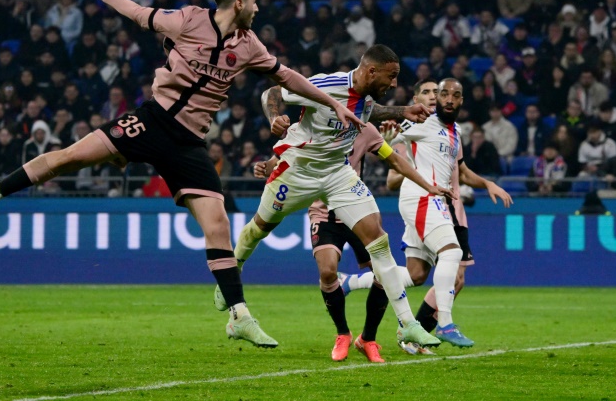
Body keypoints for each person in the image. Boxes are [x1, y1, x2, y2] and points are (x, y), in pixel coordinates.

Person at [0, 0, 370, 349]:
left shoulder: (248, 46)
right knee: (69, 158)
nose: (259, 9)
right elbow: (138, 13)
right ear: (239, 2)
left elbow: (288, 76)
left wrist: (333, 104)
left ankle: (239, 316)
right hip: (151, 121)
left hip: (188, 144)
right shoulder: (188, 20)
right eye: (255, 2)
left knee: (218, 222)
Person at [213, 45, 447, 350]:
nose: (394, 84)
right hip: (298, 172)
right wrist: (274, 118)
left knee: (378, 238)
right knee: (259, 228)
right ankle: (233, 271)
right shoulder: (327, 84)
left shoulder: (365, 97)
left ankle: (408, 324)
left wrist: (403, 111)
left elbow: (365, 110)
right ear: (371, 71)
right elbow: (273, 92)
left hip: (338, 174)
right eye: (391, 77)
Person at [340, 78, 513, 354]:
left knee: (417, 274)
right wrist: (386, 140)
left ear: (461, 101)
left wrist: (488, 184)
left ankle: (349, 282)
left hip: (435, 202)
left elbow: (462, 170)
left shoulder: (454, 131)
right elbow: (388, 136)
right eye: (438, 93)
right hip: (423, 197)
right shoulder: (422, 122)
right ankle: (444, 323)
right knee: (452, 253)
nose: (443, 98)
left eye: (451, 95)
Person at [253, 121, 399, 363]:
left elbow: (385, 155)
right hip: (323, 213)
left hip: (355, 211)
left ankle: (368, 339)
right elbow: (287, 152)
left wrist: (392, 139)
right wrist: (268, 166)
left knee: (383, 273)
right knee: (328, 271)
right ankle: (343, 333)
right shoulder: (313, 123)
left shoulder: (365, 129)